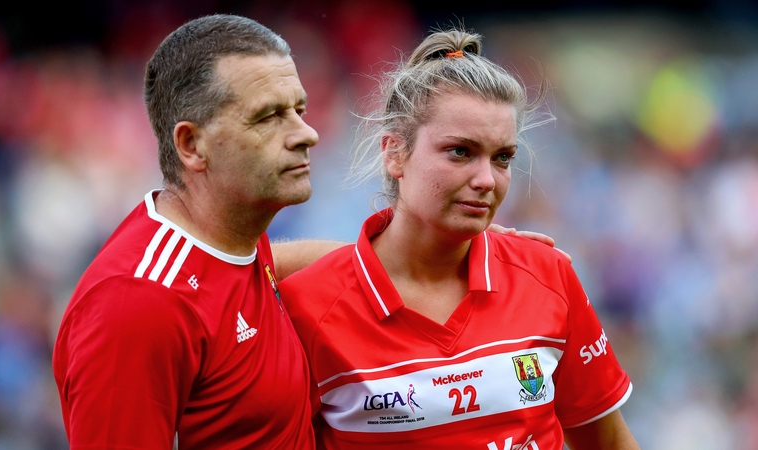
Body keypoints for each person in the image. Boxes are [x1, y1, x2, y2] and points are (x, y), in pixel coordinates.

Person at [51, 14, 562, 450]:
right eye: (269, 117)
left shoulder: (235, 249)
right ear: (192, 145)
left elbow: (269, 265)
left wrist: (446, 253)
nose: (306, 133)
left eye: (298, 108)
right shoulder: (137, 304)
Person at [279, 29, 640, 449]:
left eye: (503, 157)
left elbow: (608, 442)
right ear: (395, 153)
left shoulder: (548, 274)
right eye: (460, 152)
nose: (487, 180)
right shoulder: (305, 306)